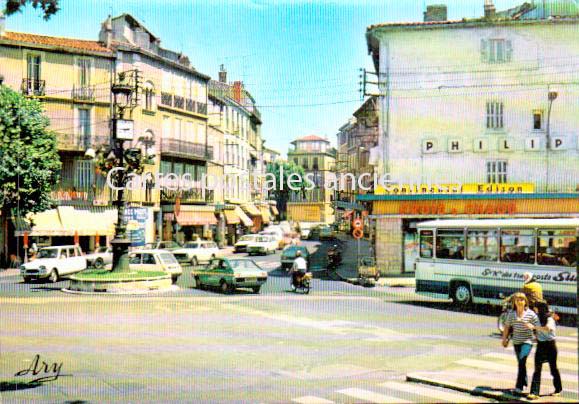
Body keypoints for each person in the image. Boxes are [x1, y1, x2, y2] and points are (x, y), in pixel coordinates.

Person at [502, 292, 540, 396]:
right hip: (516, 342)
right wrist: (504, 339)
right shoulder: (511, 314)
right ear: (514, 302)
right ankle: (524, 378)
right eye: (517, 300)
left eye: (522, 300)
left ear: (525, 302)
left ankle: (519, 386)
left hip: (528, 341)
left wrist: (533, 328)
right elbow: (506, 327)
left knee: (522, 359)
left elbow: (538, 326)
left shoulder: (531, 314)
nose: (520, 302)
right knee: (521, 363)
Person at [526, 301, 562, 400]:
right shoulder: (536, 318)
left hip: (550, 345)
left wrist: (534, 327)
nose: (534, 310)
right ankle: (534, 392)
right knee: (537, 369)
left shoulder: (549, 318)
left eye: (536, 308)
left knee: (553, 368)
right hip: (541, 345)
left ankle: (558, 389)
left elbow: (547, 329)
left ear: (540, 308)